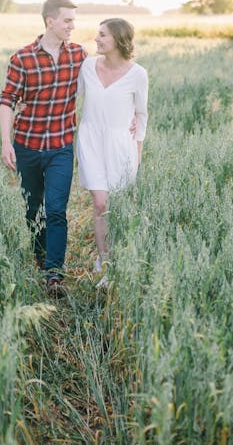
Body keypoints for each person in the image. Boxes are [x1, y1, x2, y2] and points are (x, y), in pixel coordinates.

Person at [0, 0, 87, 296]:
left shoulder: (78, 55)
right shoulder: (22, 58)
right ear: (51, 21)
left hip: (62, 145)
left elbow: (102, 86)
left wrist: (132, 115)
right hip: (28, 146)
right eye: (68, 20)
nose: (73, 26)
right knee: (33, 209)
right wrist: (5, 143)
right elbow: (7, 100)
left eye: (73, 20)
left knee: (57, 209)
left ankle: (54, 274)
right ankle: (40, 256)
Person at [76, 18, 148, 289]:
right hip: (91, 140)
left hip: (121, 145)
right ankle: (105, 263)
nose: (96, 39)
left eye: (102, 35)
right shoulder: (87, 67)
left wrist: (136, 156)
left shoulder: (138, 74)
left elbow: (141, 115)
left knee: (117, 208)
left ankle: (116, 259)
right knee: (100, 202)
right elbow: (69, 97)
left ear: (119, 40)